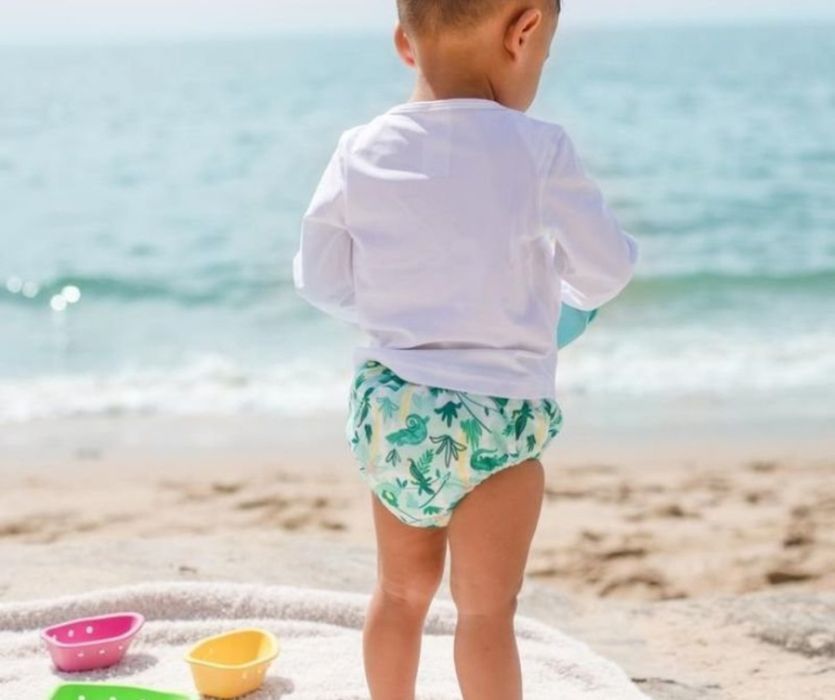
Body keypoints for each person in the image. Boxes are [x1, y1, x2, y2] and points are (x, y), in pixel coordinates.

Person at [292, 1, 639, 697]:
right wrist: (563, 310)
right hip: (498, 416)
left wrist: (401, 312)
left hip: (394, 409)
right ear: (524, 32)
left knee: (397, 592)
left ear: (404, 44)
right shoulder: (538, 147)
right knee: (485, 612)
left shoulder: (358, 147)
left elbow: (319, 278)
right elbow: (603, 269)